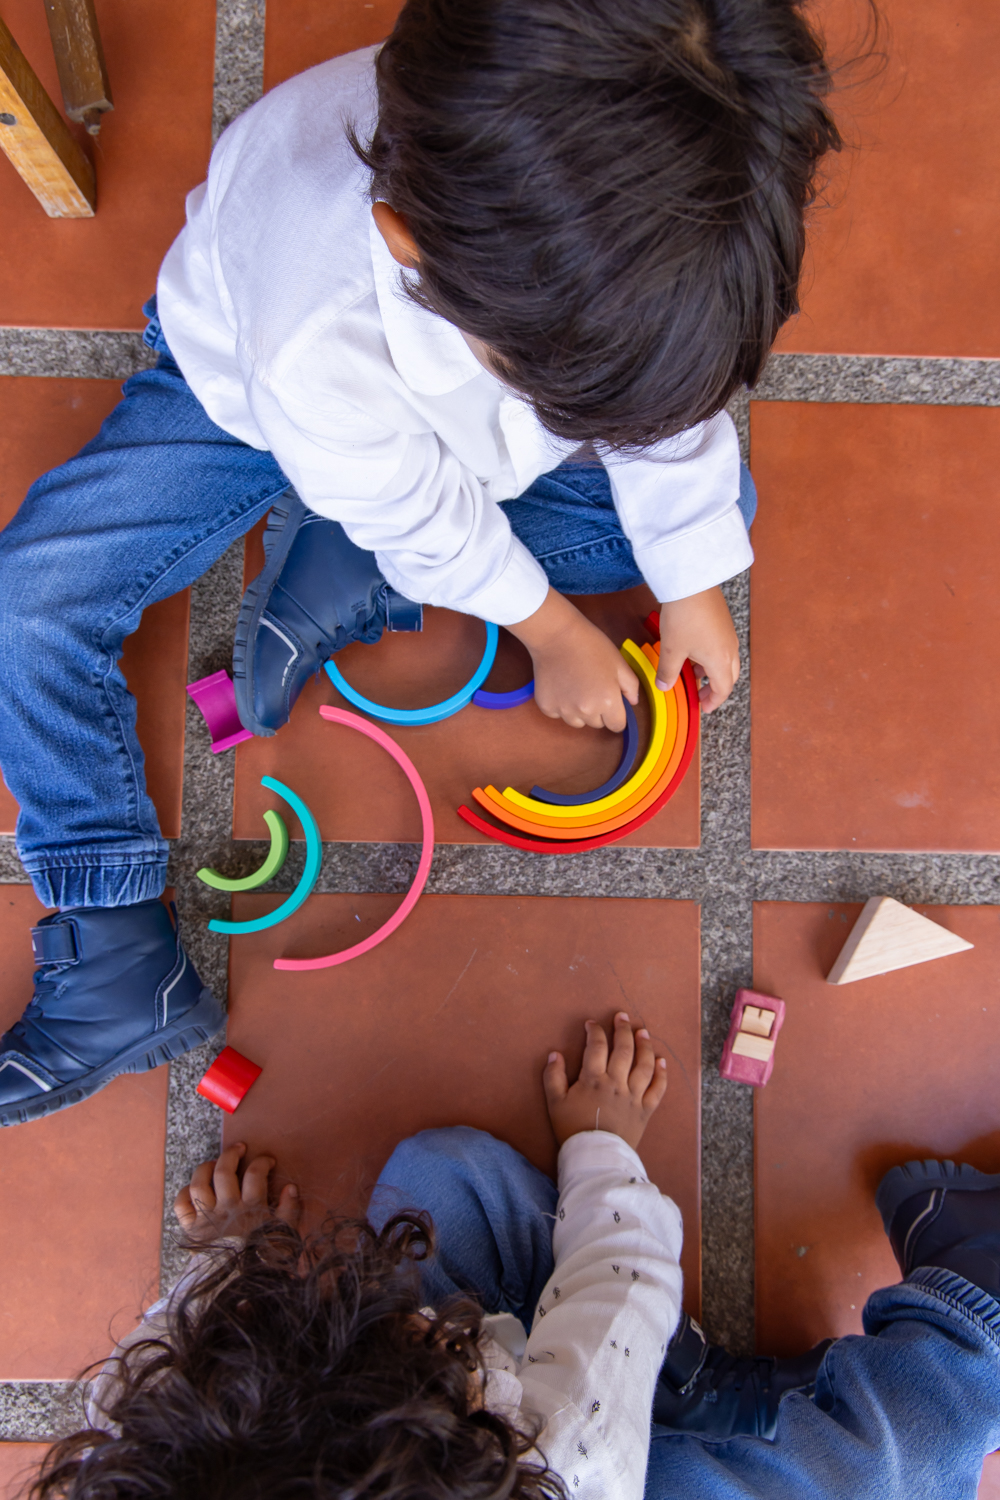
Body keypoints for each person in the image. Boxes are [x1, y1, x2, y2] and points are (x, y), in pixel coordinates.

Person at [0, 0, 841, 1124]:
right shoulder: (319, 328)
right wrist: (556, 633)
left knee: (712, 502)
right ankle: (113, 949)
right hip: (238, 400)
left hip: (425, 446)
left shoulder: (608, 180)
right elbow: (431, 503)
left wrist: (689, 577)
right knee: (26, 604)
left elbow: (662, 407)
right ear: (407, 244)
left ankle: (359, 550)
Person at [25, 1014, 1000, 1499]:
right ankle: (977, 1323)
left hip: (502, 1410)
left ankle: (677, 1381)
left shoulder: (143, 1438)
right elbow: (624, 1277)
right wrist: (601, 1149)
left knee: (441, 1179)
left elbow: (169, 1382)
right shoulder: (557, 1454)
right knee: (877, 1468)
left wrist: (232, 1277)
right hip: (593, 1466)